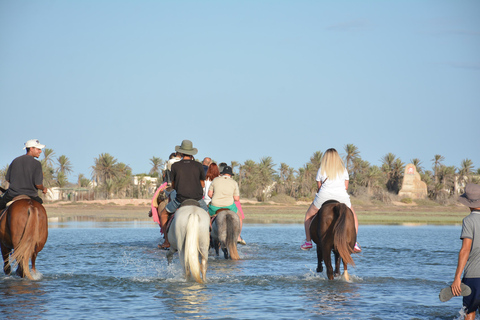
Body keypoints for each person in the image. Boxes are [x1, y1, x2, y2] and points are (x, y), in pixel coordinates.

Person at [300, 148, 361, 252]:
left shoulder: (321, 170)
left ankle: (308, 242)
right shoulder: (343, 170)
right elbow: (346, 187)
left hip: (324, 196)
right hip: (342, 197)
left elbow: (319, 187)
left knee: (308, 217)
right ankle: (354, 243)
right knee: (354, 217)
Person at [158, 140, 208, 249]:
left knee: (163, 214)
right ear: (192, 153)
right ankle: (208, 237)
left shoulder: (175, 166)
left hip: (180, 199)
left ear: (181, 152)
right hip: (198, 199)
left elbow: (174, 185)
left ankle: (167, 241)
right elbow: (203, 185)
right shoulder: (199, 165)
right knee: (208, 215)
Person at [449, 183, 480, 319]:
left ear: (468, 202)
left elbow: (465, 250)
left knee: (470, 311)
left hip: (473, 275)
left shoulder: (469, 220)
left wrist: (457, 278)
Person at [0, 139, 48, 211]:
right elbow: (38, 184)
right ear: (31, 149)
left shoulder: (15, 161)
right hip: (32, 195)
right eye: (38, 149)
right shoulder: (37, 164)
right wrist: (43, 188)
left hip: (13, 194)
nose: (40, 151)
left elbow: (8, 179)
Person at [208, 165, 245, 244]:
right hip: (229, 206)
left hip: (215, 206)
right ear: (230, 175)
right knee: (240, 217)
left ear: (222, 173)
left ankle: (208, 236)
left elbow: (209, 194)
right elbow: (236, 198)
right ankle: (238, 237)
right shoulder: (234, 182)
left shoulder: (215, 180)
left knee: (207, 216)